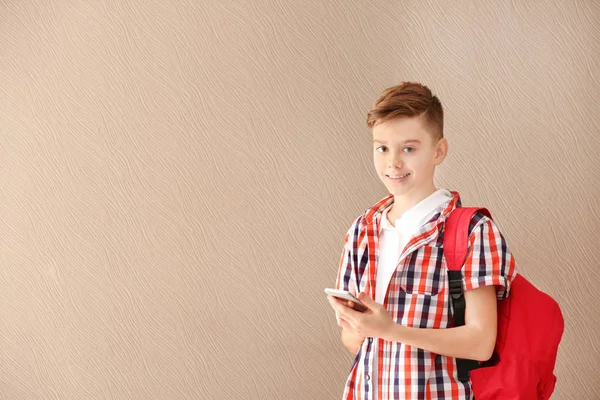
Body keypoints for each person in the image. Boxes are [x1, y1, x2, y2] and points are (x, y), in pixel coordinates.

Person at [327, 82, 518, 400]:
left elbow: (481, 343)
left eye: (409, 148)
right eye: (382, 148)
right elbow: (353, 341)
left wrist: (390, 331)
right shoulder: (362, 231)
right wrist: (357, 327)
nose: (393, 163)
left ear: (439, 150)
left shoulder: (471, 230)